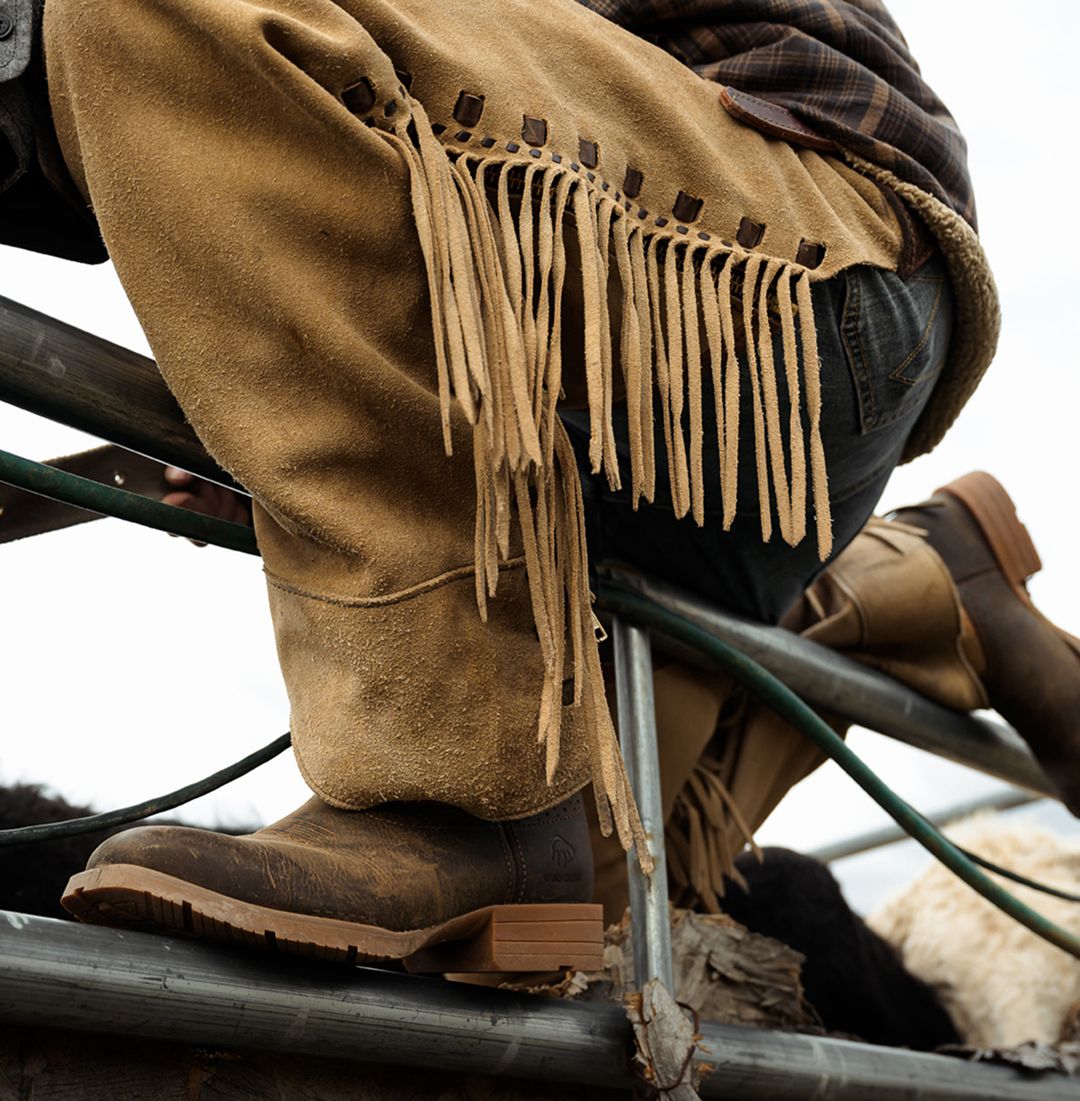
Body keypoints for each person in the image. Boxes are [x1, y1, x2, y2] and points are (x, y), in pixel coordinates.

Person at [0, 0, 999, 969]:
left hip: (804, 240)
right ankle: (938, 585)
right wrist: (271, 382)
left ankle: (457, 792)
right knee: (586, 914)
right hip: (728, 406)